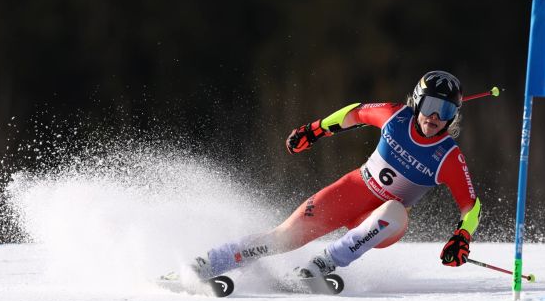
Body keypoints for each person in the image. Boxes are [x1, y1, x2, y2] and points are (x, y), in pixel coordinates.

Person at [190, 70, 481, 285]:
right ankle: (209, 263)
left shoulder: (447, 156)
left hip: (381, 222)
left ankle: (323, 264)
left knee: (395, 209)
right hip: (351, 191)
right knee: (284, 237)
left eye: (445, 111)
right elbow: (354, 113)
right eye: (430, 106)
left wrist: (462, 236)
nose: (435, 117)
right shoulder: (395, 116)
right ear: (417, 103)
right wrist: (316, 129)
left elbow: (471, 206)